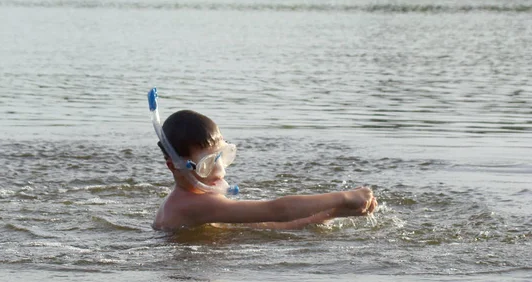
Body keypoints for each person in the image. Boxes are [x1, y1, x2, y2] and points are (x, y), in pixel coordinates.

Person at [149, 90, 377, 231]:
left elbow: (268, 225)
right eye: (208, 164)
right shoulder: (194, 205)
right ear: (174, 166)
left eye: (222, 157)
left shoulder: (198, 201)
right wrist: (345, 196)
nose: (220, 172)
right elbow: (278, 211)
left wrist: (333, 212)